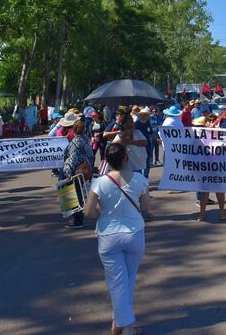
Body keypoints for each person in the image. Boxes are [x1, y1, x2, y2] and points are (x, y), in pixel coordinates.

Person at [84, 143, 149, 335]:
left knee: (117, 282)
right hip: (134, 233)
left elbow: (89, 213)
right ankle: (124, 326)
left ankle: (121, 324)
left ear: (106, 160)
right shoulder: (139, 179)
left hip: (108, 234)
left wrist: (101, 209)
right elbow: (146, 207)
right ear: (125, 158)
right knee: (128, 280)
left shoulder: (99, 183)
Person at [112, 117, 152, 221]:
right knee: (128, 190)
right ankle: (131, 212)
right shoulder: (120, 134)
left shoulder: (137, 132)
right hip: (126, 167)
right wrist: (123, 138)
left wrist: (130, 141)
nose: (132, 125)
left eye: (132, 123)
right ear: (124, 125)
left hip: (138, 165)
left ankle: (144, 212)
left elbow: (145, 142)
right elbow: (113, 146)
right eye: (129, 123)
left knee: (140, 189)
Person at [61, 119, 93, 229]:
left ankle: (78, 221)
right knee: (79, 194)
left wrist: (67, 173)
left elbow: (72, 159)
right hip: (85, 170)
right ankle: (79, 219)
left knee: (75, 196)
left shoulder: (75, 142)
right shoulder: (85, 140)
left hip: (76, 172)